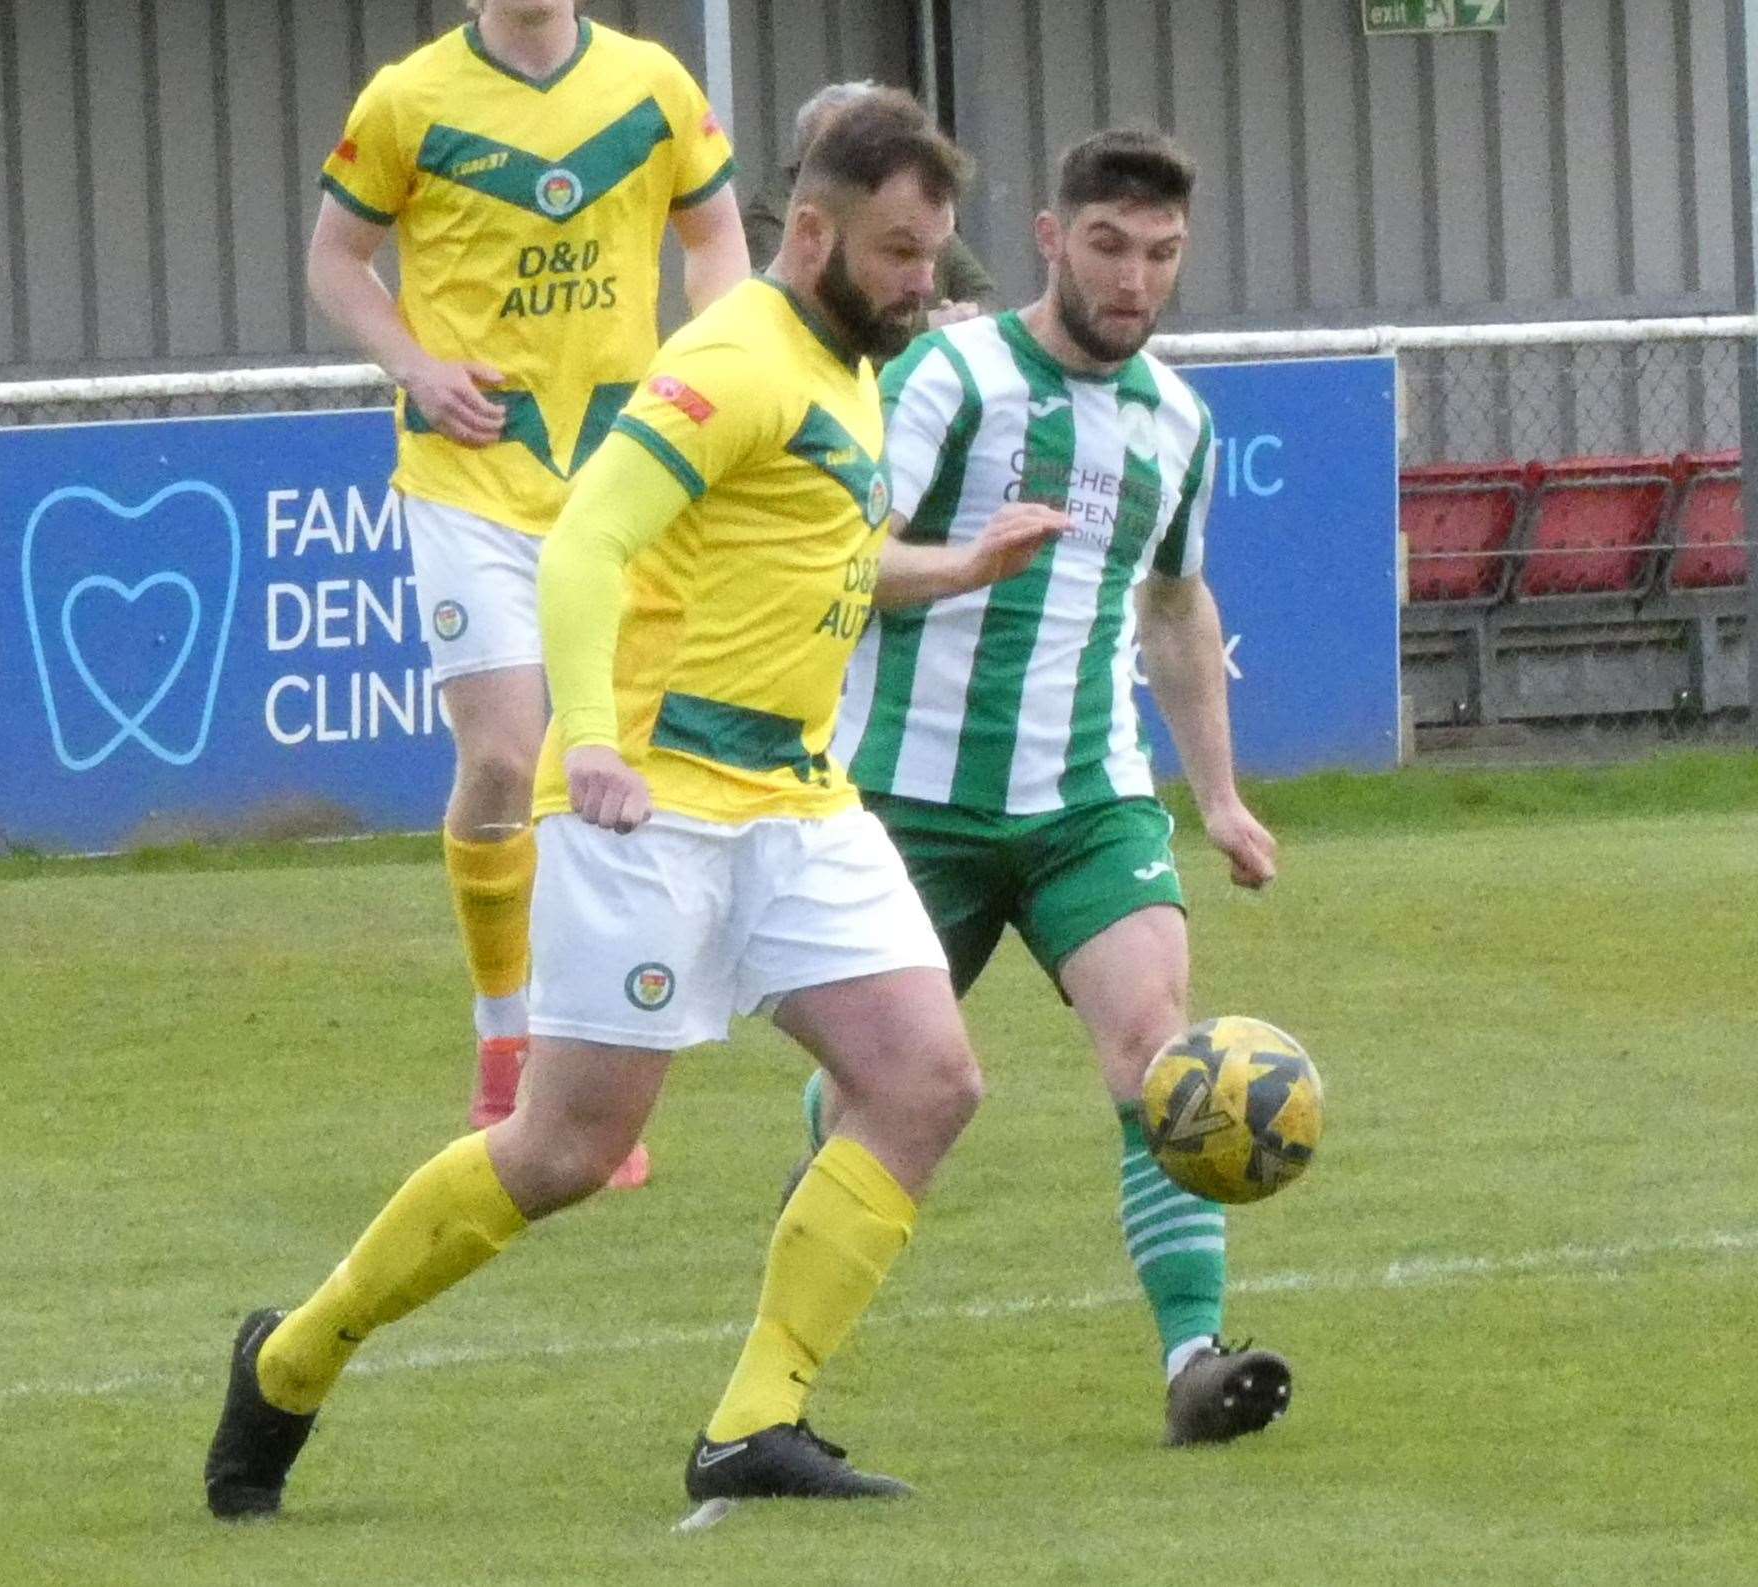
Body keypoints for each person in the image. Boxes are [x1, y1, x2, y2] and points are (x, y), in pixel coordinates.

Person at [203, 88, 1067, 1522]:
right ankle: (293, 1356)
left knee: (928, 1077)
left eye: (936, 253)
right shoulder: (734, 358)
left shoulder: (847, 365)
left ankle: (758, 1419)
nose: (928, 283)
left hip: (795, 796)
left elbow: (822, 563)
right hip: (647, 801)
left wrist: (958, 567)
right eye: (903, 253)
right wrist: (590, 740)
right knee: (566, 1150)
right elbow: (585, 544)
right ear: (812, 230)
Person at [803, 126, 1294, 1447]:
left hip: (1089, 797)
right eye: (1110, 246)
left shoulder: (1177, 418)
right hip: (910, 804)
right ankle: (817, 1208)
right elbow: (846, 558)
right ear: (1050, 238)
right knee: (881, 1087)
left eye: (1162, 255)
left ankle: (1196, 1355)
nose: (1135, 279)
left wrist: (1221, 796)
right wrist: (968, 564)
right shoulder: (951, 376)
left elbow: (1178, 606)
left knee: (1158, 1053)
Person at [308, 0, 751, 1175]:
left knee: (607, 776)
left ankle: (583, 1079)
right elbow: (335, 258)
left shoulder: (653, 84)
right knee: (506, 758)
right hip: (470, 472)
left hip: (625, 469)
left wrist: (711, 357)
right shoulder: (408, 100)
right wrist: (415, 365)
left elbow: (714, 241)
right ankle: (504, 1042)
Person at [744, 81, 996, 329]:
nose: (925, 284)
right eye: (900, 252)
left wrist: (967, 317)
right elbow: (806, 304)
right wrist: (928, 325)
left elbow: (984, 295)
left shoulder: (915, 215)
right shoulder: (776, 213)